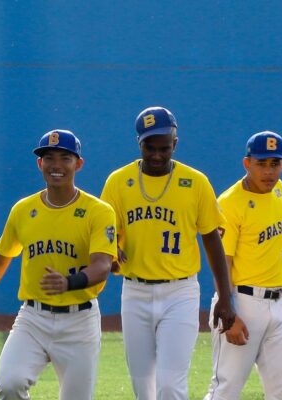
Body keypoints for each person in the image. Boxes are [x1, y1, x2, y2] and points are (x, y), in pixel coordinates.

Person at [0, 130, 117, 400]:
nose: (56, 165)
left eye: (65, 158)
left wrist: (68, 283)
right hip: (33, 318)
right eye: (48, 158)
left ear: (79, 164)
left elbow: (102, 266)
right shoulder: (24, 210)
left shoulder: (99, 211)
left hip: (79, 321)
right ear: (40, 164)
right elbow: (1, 257)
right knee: (10, 384)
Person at [99, 106, 237, 400]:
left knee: (171, 386)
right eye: (150, 147)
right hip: (135, 292)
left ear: (175, 143)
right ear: (140, 144)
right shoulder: (118, 182)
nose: (157, 155)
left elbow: (212, 239)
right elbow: (105, 235)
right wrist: (111, 254)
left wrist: (225, 297)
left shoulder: (196, 182)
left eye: (164, 148)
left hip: (180, 292)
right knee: (143, 388)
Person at [204, 131, 282, 399]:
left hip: (280, 302)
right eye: (261, 163)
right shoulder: (229, 203)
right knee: (225, 389)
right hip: (243, 302)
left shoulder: (279, 190)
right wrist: (229, 312)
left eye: (275, 163)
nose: (269, 171)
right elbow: (222, 262)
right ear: (247, 163)